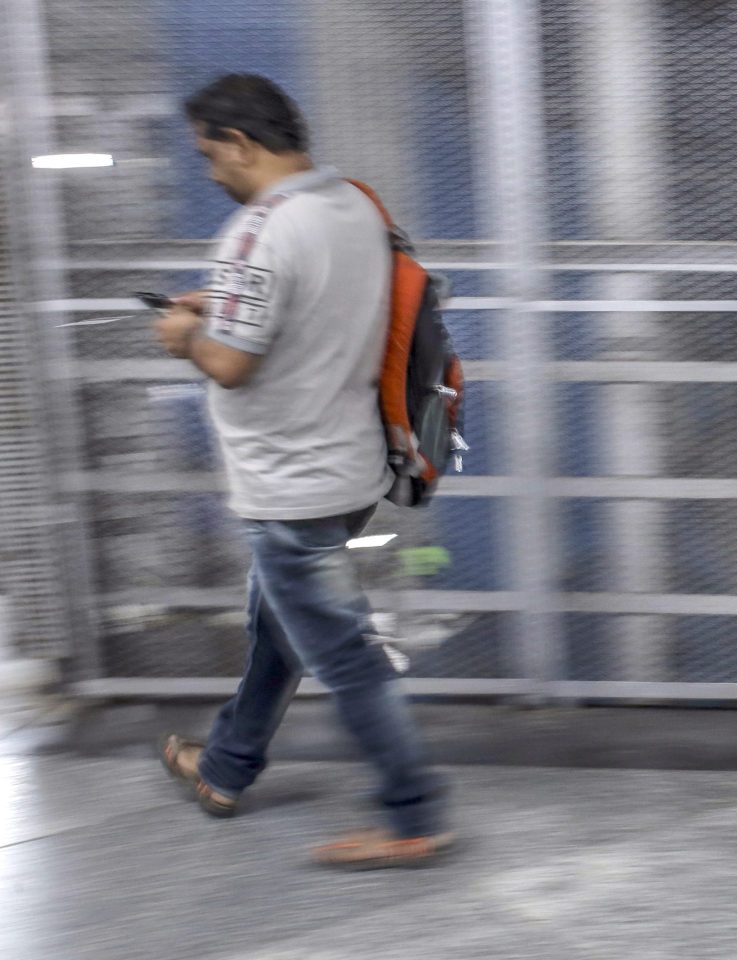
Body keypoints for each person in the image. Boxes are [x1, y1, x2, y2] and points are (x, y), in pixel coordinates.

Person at [153, 73, 450, 868]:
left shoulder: (258, 231)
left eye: (209, 155)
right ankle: (224, 769)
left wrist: (185, 334)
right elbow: (312, 302)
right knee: (277, 631)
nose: (209, 172)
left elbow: (231, 363)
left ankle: (411, 813)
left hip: (290, 488)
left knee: (344, 656)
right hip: (348, 469)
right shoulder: (352, 202)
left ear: (240, 145)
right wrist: (224, 299)